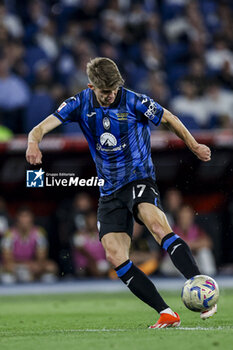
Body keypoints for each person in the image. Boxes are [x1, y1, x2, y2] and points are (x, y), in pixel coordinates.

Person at [26, 57, 215, 328]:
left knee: (156, 224)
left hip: (139, 178)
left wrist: (194, 145)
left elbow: (169, 118)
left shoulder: (135, 100)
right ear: (91, 86)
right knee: (115, 256)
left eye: (114, 90)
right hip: (109, 189)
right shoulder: (79, 103)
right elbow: (39, 129)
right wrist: (33, 144)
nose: (110, 95)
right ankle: (166, 312)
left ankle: (199, 284)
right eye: (104, 92)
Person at [1, 207, 58, 283]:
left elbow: (41, 257)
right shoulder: (9, 234)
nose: (24, 220)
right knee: (6, 268)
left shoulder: (39, 233)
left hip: (32, 265)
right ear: (17, 219)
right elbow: (7, 258)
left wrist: (33, 266)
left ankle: (40, 282)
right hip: (15, 265)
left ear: (32, 218)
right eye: (22, 217)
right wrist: (23, 265)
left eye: (27, 217)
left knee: (51, 267)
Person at [160, 205, 217, 277]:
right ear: (178, 218)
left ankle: (211, 278)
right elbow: (175, 249)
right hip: (173, 264)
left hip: (193, 260)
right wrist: (193, 244)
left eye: (187, 217)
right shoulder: (171, 230)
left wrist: (189, 244)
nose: (185, 220)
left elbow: (208, 243)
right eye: (183, 217)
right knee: (180, 256)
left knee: (204, 252)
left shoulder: (196, 229)